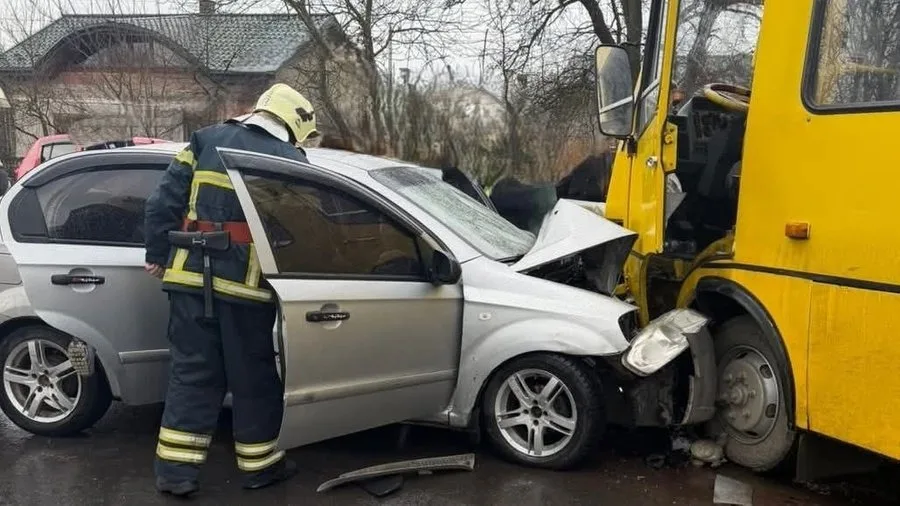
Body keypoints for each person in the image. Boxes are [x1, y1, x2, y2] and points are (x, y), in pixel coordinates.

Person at [143, 83, 319, 497]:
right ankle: (260, 467)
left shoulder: (205, 139)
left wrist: (157, 253)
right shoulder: (291, 159)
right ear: (295, 125)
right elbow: (303, 231)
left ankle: (175, 474)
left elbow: (160, 204)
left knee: (191, 374)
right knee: (253, 377)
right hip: (246, 289)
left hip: (188, 280)